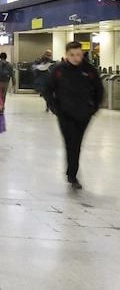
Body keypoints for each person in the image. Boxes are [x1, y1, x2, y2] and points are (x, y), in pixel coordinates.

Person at [45, 42, 104, 190]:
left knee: (76, 143)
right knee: (71, 143)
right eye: (72, 55)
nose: (76, 58)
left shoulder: (89, 70)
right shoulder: (59, 70)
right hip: (65, 115)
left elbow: (99, 89)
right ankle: (72, 175)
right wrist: (55, 108)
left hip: (84, 114)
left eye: (78, 54)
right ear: (67, 55)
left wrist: (94, 108)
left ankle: (71, 172)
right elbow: (48, 89)